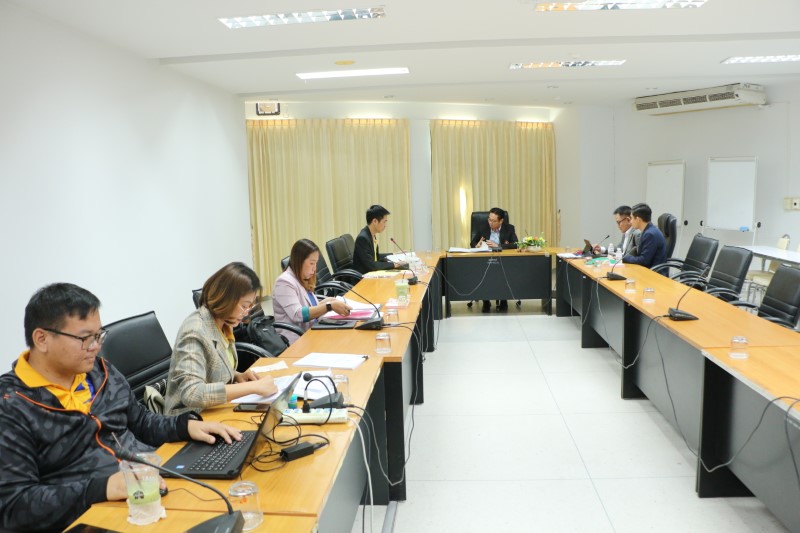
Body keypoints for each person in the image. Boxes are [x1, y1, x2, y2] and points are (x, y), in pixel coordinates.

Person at [0, 283, 243, 532]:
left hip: (149, 488)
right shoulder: (11, 405)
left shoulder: (99, 371)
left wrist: (185, 426)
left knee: (234, 502)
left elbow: (142, 422)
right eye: (85, 338)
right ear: (42, 339)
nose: (95, 346)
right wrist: (102, 488)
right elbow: (13, 506)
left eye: (98, 336)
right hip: (91, 518)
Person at [164, 262, 278, 415]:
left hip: (216, 410)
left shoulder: (224, 323)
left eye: (249, 306)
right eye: (244, 306)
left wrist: (237, 376)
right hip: (189, 418)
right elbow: (192, 393)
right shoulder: (195, 331)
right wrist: (252, 387)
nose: (246, 313)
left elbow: (214, 367)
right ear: (226, 299)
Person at [273, 239, 353, 343]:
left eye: (315, 263)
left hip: (312, 330)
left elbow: (307, 306)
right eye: (311, 263)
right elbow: (298, 314)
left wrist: (326, 302)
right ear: (299, 261)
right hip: (296, 340)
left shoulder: (302, 277)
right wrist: (329, 306)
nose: (315, 268)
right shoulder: (284, 282)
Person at [470, 207, 519, 312]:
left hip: (503, 261)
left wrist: (498, 246)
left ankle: (503, 300)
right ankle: (486, 301)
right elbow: (472, 242)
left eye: (493, 221)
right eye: (489, 219)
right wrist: (476, 245)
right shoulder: (483, 227)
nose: (490, 223)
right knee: (483, 272)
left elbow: (515, 244)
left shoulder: (509, 228)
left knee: (504, 271)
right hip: (485, 260)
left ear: (501, 221)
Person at [352, 204, 405, 274]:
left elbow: (375, 257)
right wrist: (394, 264)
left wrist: (393, 254)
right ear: (375, 221)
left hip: (371, 273)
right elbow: (371, 265)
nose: (385, 225)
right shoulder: (363, 239)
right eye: (384, 222)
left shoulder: (371, 234)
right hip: (363, 277)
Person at [622, 203, 667, 268]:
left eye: (631, 218)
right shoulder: (648, 231)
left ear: (638, 219)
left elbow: (643, 261)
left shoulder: (650, 234)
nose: (630, 222)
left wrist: (624, 257)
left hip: (653, 272)